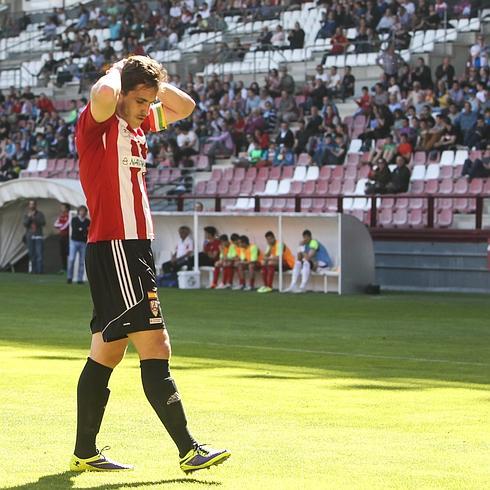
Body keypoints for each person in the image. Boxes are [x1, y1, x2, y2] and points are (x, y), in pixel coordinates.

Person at [73, 56, 229, 475]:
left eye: (149, 101)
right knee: (156, 344)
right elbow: (104, 94)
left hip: (131, 249)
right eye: (140, 100)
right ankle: (189, 449)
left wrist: (154, 82)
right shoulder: (98, 124)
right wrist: (118, 67)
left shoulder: (137, 126)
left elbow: (186, 107)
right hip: (117, 248)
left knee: (106, 352)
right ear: (122, 93)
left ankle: (84, 451)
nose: (147, 108)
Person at [67, 205, 90, 284]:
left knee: (81, 261)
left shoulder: (87, 221)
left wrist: (82, 230)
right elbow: (76, 229)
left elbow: (87, 231)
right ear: (78, 211)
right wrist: (83, 230)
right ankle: (69, 277)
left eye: (83, 211)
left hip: (83, 242)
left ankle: (80, 279)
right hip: (74, 241)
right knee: (71, 259)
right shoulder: (74, 220)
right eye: (81, 210)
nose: (82, 212)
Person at [23, 200, 46, 274]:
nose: (31, 205)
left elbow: (43, 223)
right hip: (30, 236)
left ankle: (40, 271)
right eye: (30, 204)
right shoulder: (27, 214)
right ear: (29, 206)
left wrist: (34, 218)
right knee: (32, 254)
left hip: (38, 235)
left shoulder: (40, 214)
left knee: (39, 254)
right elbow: (25, 224)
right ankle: (34, 271)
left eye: (33, 204)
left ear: (35, 205)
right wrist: (29, 217)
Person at [54, 203, 70, 273]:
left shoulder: (70, 215)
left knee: (68, 252)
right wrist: (61, 225)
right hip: (61, 237)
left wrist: (61, 226)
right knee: (62, 252)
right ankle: (64, 268)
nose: (61, 209)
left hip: (68, 237)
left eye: (63, 207)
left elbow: (66, 225)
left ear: (67, 208)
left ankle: (69, 268)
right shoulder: (61, 216)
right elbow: (55, 224)